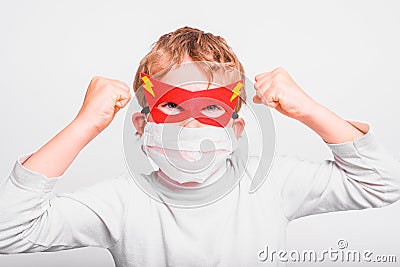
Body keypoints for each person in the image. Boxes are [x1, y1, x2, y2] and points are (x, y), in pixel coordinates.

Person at [1, 26, 399, 267]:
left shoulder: (273, 185)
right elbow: (8, 232)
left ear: (238, 129)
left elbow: (383, 183)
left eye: (210, 107)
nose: (190, 124)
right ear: (141, 126)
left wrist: (309, 109)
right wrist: (84, 125)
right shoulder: (120, 203)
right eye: (171, 106)